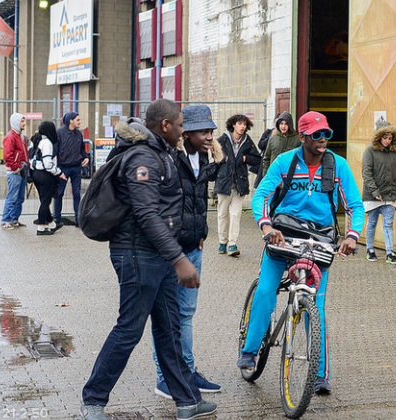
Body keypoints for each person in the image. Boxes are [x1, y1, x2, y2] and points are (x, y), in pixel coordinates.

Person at [80, 99, 217, 420]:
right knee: (129, 329)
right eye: (181, 125)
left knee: (169, 329)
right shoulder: (143, 157)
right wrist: (180, 259)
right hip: (137, 254)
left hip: (160, 255)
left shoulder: (161, 153)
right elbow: (146, 213)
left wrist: (175, 256)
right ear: (165, 125)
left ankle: (187, 401)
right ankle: (93, 400)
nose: (184, 131)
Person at [237, 111, 365, 395]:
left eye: (327, 135)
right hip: (282, 236)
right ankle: (250, 349)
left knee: (315, 307)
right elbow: (261, 195)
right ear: (303, 136)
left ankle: (319, 375)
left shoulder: (338, 166)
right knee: (266, 290)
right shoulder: (285, 162)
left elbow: (356, 205)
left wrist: (353, 237)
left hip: (320, 241)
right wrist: (266, 225)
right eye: (317, 135)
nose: (323, 140)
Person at [152, 105, 223, 399]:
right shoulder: (171, 157)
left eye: (211, 132)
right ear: (187, 132)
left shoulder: (204, 158)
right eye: (204, 132)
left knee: (186, 313)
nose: (209, 136)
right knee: (169, 316)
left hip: (194, 246)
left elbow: (198, 202)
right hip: (172, 251)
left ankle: (187, 372)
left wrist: (201, 233)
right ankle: (165, 379)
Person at [215, 114, 261, 257]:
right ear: (233, 125)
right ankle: (222, 242)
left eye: (245, 124)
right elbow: (214, 157)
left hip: (240, 183)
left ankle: (232, 244)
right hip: (224, 182)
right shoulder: (222, 140)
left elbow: (257, 159)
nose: (242, 127)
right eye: (240, 124)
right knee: (222, 214)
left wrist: (246, 158)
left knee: (235, 214)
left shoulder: (247, 142)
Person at [362, 121, 396, 264]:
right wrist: (374, 191)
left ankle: (390, 253)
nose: (387, 141)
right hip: (373, 195)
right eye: (385, 137)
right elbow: (366, 173)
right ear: (379, 136)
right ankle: (370, 250)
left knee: (388, 224)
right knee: (372, 222)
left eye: (390, 138)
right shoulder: (370, 151)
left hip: (391, 195)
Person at [30, 122, 67, 235]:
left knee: (43, 199)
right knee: (46, 202)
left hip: (35, 173)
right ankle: (41, 227)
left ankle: (51, 224)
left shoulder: (36, 140)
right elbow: (48, 163)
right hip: (45, 175)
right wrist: (59, 172)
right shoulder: (47, 143)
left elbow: (31, 158)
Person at [54, 112, 89, 227]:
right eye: (77, 120)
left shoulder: (79, 134)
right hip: (63, 167)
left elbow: (82, 149)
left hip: (76, 167)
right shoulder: (59, 133)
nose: (79, 122)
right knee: (59, 194)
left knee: (77, 194)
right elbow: (55, 152)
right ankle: (57, 219)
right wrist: (57, 170)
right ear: (71, 121)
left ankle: (78, 220)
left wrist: (86, 157)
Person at [1, 113, 28, 230]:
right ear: (16, 122)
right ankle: (5, 220)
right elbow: (8, 156)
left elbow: (24, 153)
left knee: (20, 198)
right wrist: (16, 168)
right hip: (15, 172)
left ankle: (14, 219)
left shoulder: (21, 136)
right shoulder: (10, 137)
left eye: (24, 121)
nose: (24, 124)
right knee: (12, 197)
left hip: (21, 170)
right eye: (22, 121)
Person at [262, 111, 301, 176]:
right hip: (275, 175)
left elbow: (301, 159)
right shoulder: (273, 139)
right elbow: (266, 159)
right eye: (281, 123)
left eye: (286, 124)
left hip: (290, 176)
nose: (283, 126)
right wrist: (266, 176)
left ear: (290, 125)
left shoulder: (297, 139)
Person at [253, 114, 280, 188]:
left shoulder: (285, 136)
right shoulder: (268, 132)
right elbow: (261, 145)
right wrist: (271, 137)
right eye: (276, 123)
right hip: (266, 163)